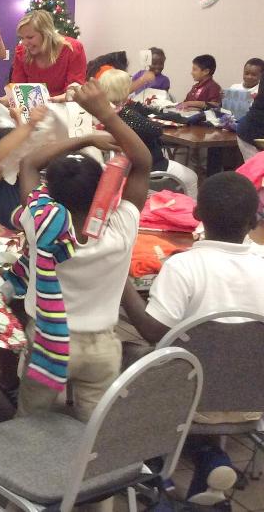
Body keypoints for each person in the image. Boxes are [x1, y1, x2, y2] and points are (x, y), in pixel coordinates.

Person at [8, 79, 151, 420]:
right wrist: (104, 116)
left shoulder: (39, 220)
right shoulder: (121, 225)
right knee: (94, 426)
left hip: (48, 342)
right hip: (102, 344)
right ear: (103, 187)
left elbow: (28, 164)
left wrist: (84, 137)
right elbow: (142, 161)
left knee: (31, 421)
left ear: (50, 191)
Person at [121, 172, 264, 503]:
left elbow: (155, 332)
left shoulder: (184, 267)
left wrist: (124, 286)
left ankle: (156, 473)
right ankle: (211, 459)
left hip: (188, 401)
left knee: (134, 354)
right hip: (253, 401)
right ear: (253, 219)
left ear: (196, 215)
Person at [98, 69, 199, 197]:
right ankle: (190, 215)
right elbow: (154, 131)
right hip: (148, 166)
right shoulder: (127, 114)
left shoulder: (103, 113)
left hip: (123, 169)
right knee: (192, 177)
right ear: (124, 90)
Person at [0, 105, 48, 231]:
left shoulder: (30, 175)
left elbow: (27, 147)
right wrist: (30, 124)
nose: (23, 154)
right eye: (17, 153)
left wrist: (19, 119)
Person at [10, 9, 87, 100]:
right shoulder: (22, 52)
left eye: (30, 37)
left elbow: (74, 90)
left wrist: (52, 102)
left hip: (66, 108)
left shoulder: (72, 49)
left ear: (46, 34)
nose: (24, 43)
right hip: (34, 109)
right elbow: (17, 91)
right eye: (22, 38)